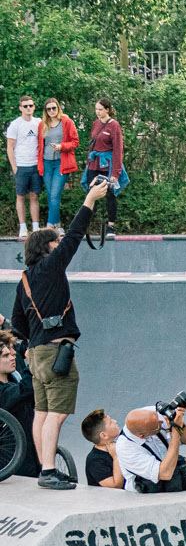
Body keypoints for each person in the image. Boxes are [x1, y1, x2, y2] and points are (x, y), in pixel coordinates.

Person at [6, 177, 110, 488]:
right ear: (48, 248)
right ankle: (49, 471)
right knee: (57, 413)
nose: (59, 243)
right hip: (56, 353)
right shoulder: (52, 267)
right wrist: (90, 199)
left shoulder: (23, 280)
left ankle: (44, 468)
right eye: (56, 241)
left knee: (41, 412)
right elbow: (76, 235)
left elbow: (16, 324)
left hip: (35, 354)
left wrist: (27, 342)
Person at [117, 401, 186, 492]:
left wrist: (178, 420)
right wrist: (176, 431)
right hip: (147, 496)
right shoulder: (126, 449)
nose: (162, 421)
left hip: (174, 482)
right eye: (158, 425)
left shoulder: (153, 415)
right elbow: (165, 474)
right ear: (142, 435)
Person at [84, 97, 126, 234]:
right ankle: (85, 223)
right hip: (94, 163)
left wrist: (115, 172)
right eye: (96, 109)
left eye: (100, 109)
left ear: (107, 110)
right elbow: (92, 144)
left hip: (107, 165)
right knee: (90, 193)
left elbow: (118, 149)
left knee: (110, 194)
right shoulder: (96, 123)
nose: (98, 112)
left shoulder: (114, 125)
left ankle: (111, 225)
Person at [0, 326, 36, 476]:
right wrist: (32, 363)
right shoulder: (3, 391)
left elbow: (27, 342)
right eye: (5, 356)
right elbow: (25, 389)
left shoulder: (13, 378)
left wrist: (6, 323)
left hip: (30, 453)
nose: (12, 357)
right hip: (14, 461)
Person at [38, 96, 78, 229]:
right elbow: (40, 145)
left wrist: (62, 146)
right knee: (51, 196)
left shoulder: (66, 122)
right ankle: (58, 226)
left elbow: (75, 142)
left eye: (54, 108)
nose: (51, 111)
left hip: (61, 163)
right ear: (46, 111)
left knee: (55, 194)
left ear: (58, 108)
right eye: (48, 109)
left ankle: (50, 226)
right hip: (47, 162)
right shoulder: (42, 124)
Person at [6, 94, 40, 238]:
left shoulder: (39, 122)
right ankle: (22, 227)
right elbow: (10, 147)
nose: (28, 108)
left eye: (30, 106)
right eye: (25, 106)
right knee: (20, 196)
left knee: (34, 196)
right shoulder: (15, 124)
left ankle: (36, 227)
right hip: (21, 166)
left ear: (34, 107)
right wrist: (14, 167)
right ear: (20, 108)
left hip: (36, 166)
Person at [80, 406, 125, 488]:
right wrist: (116, 457)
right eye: (111, 423)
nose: (115, 421)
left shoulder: (120, 444)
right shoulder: (95, 460)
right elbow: (116, 486)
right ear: (104, 435)